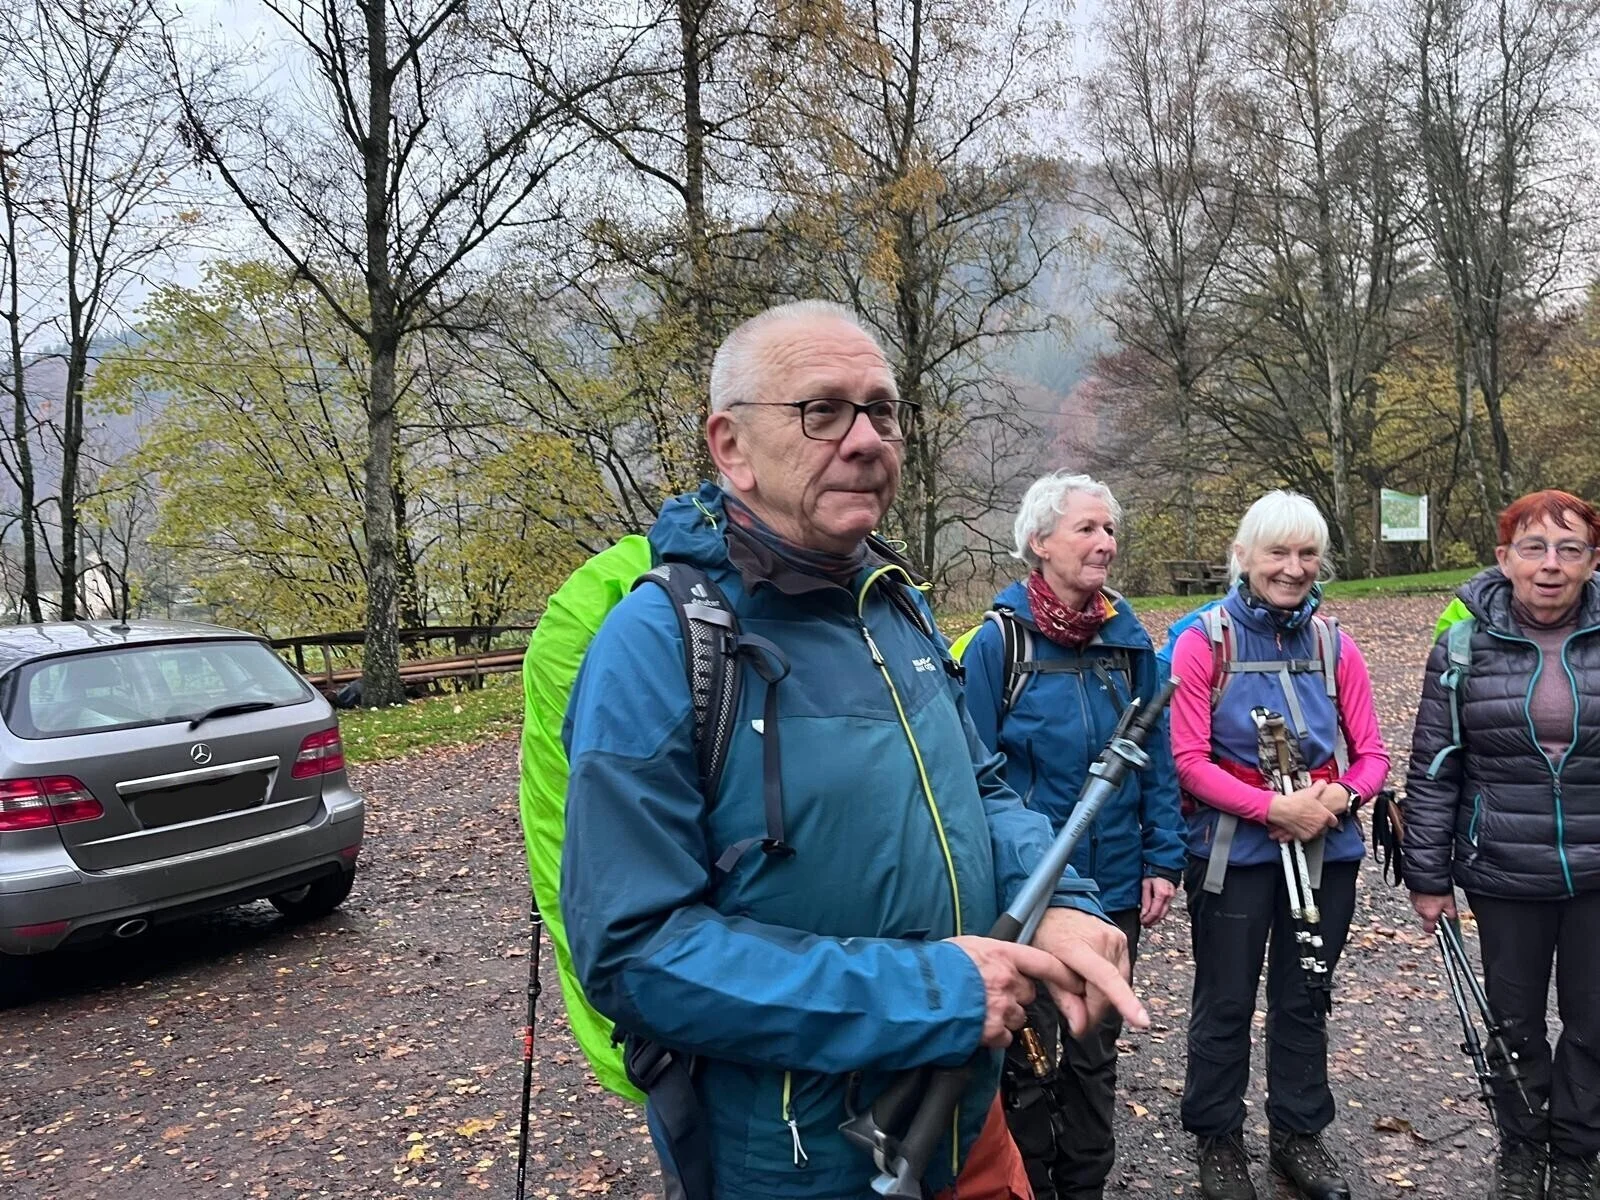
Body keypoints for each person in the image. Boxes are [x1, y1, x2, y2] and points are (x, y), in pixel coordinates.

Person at [560, 300, 1148, 1200]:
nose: (866, 438)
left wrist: (1059, 900)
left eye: (882, 410)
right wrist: (929, 995)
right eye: (821, 411)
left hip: (967, 1118)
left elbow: (980, 790)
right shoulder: (660, 644)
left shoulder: (896, 605)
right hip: (799, 1160)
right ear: (731, 448)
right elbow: (633, 952)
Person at [961, 471, 1185, 1200]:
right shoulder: (999, 644)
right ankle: (1031, 1184)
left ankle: (1084, 1183)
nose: (1104, 544)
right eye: (1087, 529)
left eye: (1110, 530)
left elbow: (1153, 760)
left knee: (1095, 1048)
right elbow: (975, 777)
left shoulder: (1129, 643)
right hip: (1032, 895)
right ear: (1039, 542)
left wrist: (1163, 858)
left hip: (1114, 882)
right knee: (1027, 1052)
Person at [1166, 490, 1390, 1200]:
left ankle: (1299, 1134)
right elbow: (1188, 761)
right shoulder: (1203, 640)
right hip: (1233, 850)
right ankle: (1218, 1138)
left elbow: (1374, 755)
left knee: (1306, 997)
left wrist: (1342, 796)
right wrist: (1274, 809)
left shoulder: (1334, 644)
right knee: (1226, 1000)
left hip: (1326, 851)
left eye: (1306, 554)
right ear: (1244, 556)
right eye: (1277, 553)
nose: (1292, 569)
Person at [1403, 489, 1600, 1200]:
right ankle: (1522, 1145)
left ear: (1592, 560)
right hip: (1504, 868)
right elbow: (1433, 765)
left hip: (1597, 871)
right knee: (1511, 1020)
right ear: (1504, 559)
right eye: (1533, 548)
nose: (1550, 565)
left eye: (1569, 548)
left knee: (1594, 1023)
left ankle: (1578, 1151)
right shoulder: (1462, 644)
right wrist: (1428, 877)